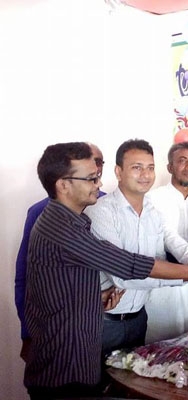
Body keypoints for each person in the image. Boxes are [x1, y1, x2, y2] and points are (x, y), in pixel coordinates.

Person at [24, 142, 188, 399]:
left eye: (150, 167)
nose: (99, 184)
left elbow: (64, 283)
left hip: (85, 350)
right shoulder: (63, 227)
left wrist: (94, 297)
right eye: (91, 178)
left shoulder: (76, 221)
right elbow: (127, 265)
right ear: (63, 185)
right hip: (63, 366)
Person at [84, 139, 188, 352]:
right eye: (137, 167)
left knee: (142, 370)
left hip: (139, 318)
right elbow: (123, 274)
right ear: (118, 171)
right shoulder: (100, 212)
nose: (145, 174)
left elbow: (168, 245)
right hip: (105, 322)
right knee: (102, 375)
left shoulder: (152, 210)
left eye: (150, 168)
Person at [14, 143, 108, 362]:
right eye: (90, 163)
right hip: (58, 336)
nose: (96, 168)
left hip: (105, 324)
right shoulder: (41, 212)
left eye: (99, 162)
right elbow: (25, 277)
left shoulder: (109, 205)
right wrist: (26, 333)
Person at [146, 142, 188, 338]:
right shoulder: (152, 199)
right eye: (182, 161)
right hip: (159, 288)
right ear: (170, 167)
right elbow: (167, 236)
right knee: (158, 347)